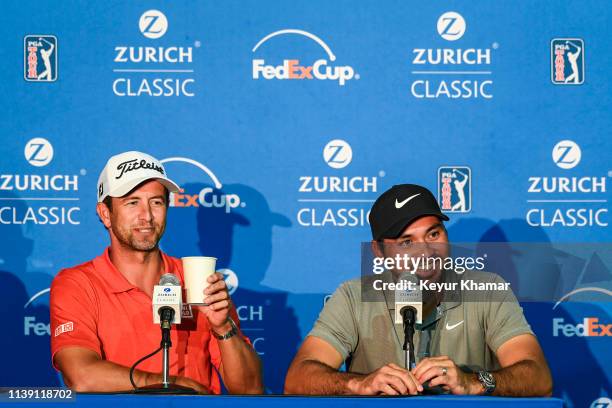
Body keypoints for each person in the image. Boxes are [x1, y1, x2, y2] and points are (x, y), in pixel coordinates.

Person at [285, 184, 552, 396]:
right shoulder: (353, 297)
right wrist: (360, 384)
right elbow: (298, 378)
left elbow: (538, 376)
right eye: (405, 242)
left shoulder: (487, 289)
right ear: (379, 251)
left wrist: (473, 382)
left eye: (433, 235)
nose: (425, 252)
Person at [50, 151, 263, 394]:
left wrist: (224, 327)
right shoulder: (78, 284)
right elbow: (81, 376)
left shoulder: (196, 278)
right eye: (132, 202)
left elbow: (251, 390)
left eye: (156, 202)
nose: (147, 216)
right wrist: (170, 386)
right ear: (105, 214)